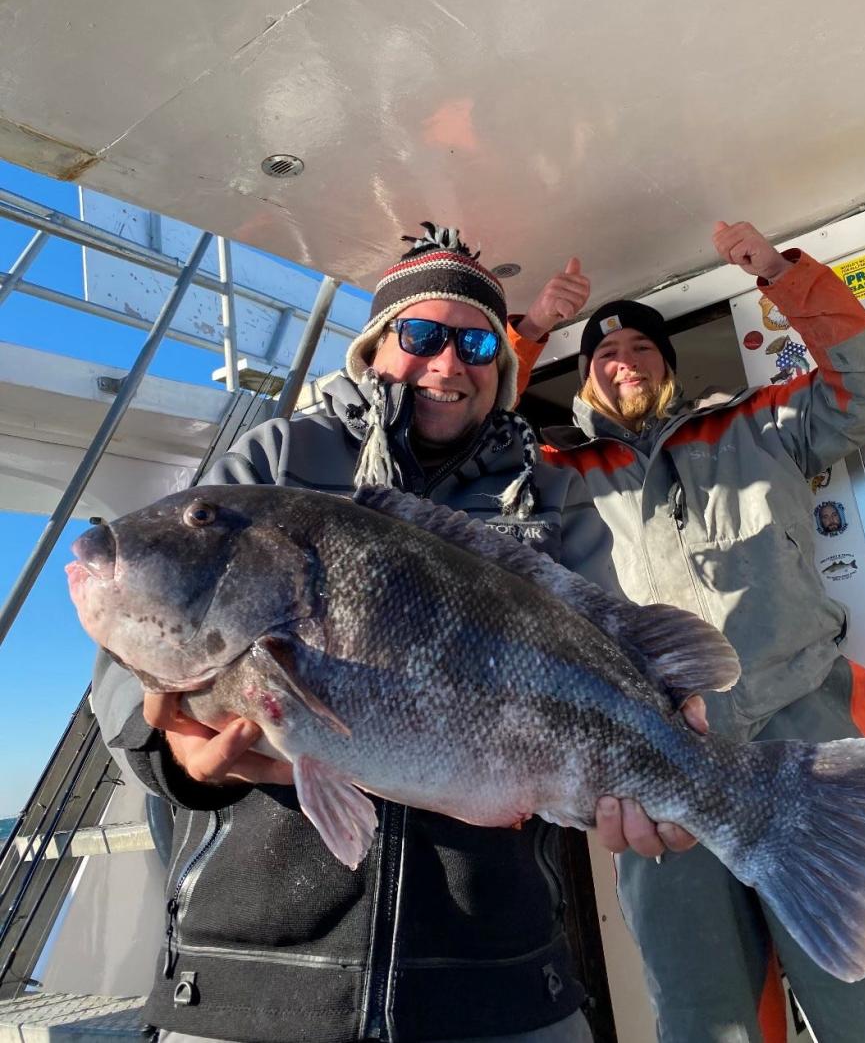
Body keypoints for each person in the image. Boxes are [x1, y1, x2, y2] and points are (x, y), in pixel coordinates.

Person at [91, 221, 700, 1043]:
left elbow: (616, 659)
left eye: (478, 344)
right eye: (420, 335)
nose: (448, 363)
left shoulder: (552, 493)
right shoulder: (274, 460)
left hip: (501, 979)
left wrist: (674, 764)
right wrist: (175, 751)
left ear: (504, 366)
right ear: (376, 347)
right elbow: (123, 672)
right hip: (251, 980)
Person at [515, 220, 865, 1042]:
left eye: (643, 350)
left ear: (669, 367)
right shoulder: (552, 472)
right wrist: (530, 331)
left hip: (799, 731)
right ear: (582, 382)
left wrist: (780, 276)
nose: (624, 362)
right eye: (604, 357)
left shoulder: (759, 424)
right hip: (644, 755)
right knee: (703, 1008)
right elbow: (464, 451)